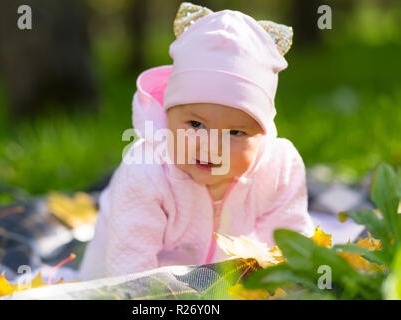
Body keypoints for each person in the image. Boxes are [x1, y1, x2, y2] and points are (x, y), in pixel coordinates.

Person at [80, 2, 314, 280]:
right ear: (168, 116)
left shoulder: (279, 168)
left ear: (262, 131)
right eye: (195, 125)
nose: (211, 147)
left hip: (223, 282)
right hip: (129, 283)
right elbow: (129, 267)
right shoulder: (146, 173)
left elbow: (290, 239)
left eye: (235, 133)